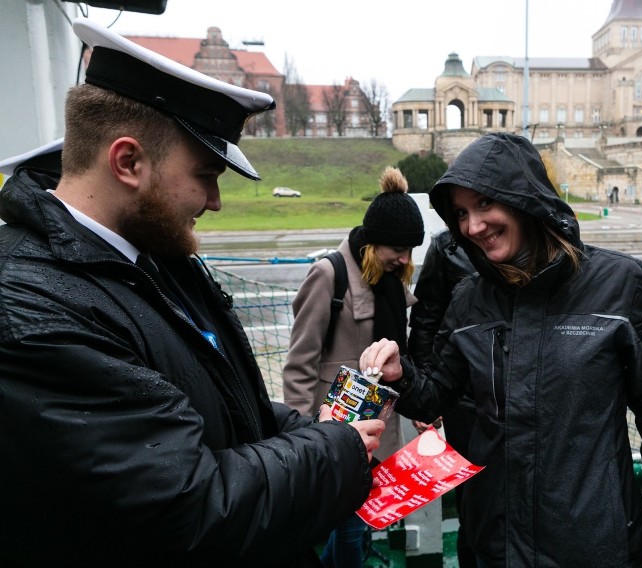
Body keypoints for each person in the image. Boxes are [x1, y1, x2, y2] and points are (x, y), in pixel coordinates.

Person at [0, 18, 384, 567]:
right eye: (206, 174)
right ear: (128, 162)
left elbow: (228, 410)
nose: (216, 200)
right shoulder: (28, 305)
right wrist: (336, 448)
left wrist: (322, 428)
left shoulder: (153, 256)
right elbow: (191, 507)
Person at [360, 132, 642, 567]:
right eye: (462, 213)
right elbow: (436, 393)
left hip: (593, 538)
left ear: (525, 200)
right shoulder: (468, 299)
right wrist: (401, 375)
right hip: (494, 538)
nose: (473, 226)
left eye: (485, 203)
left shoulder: (621, 285)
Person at [283, 166, 424, 567]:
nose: (406, 259)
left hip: (380, 428)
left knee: (363, 523)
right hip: (336, 429)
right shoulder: (330, 275)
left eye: (411, 250)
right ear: (375, 242)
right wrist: (305, 435)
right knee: (348, 526)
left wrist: (418, 413)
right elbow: (299, 364)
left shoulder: (391, 280)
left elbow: (404, 358)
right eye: (399, 249)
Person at [408, 229, 478, 568]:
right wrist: (428, 393)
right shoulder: (446, 248)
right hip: (466, 403)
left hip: (529, 400)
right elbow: (425, 322)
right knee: (474, 509)